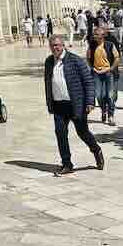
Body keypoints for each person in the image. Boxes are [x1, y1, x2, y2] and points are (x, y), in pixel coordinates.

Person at [44, 35, 105, 176]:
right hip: (59, 105)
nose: (55, 48)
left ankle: (96, 150)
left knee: (82, 132)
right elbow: (48, 84)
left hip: (76, 104)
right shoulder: (48, 62)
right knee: (60, 134)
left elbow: (88, 81)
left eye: (58, 45)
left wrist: (90, 102)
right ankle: (67, 164)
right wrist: (49, 103)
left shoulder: (76, 60)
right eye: (52, 45)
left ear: (63, 45)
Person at [87, 25, 120, 125]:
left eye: (96, 34)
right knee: (99, 95)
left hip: (108, 73)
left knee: (110, 95)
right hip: (96, 73)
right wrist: (92, 68)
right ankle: (103, 110)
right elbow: (88, 58)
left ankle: (110, 116)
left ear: (103, 35)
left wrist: (111, 69)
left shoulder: (110, 45)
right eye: (94, 34)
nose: (94, 36)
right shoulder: (92, 46)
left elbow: (117, 58)